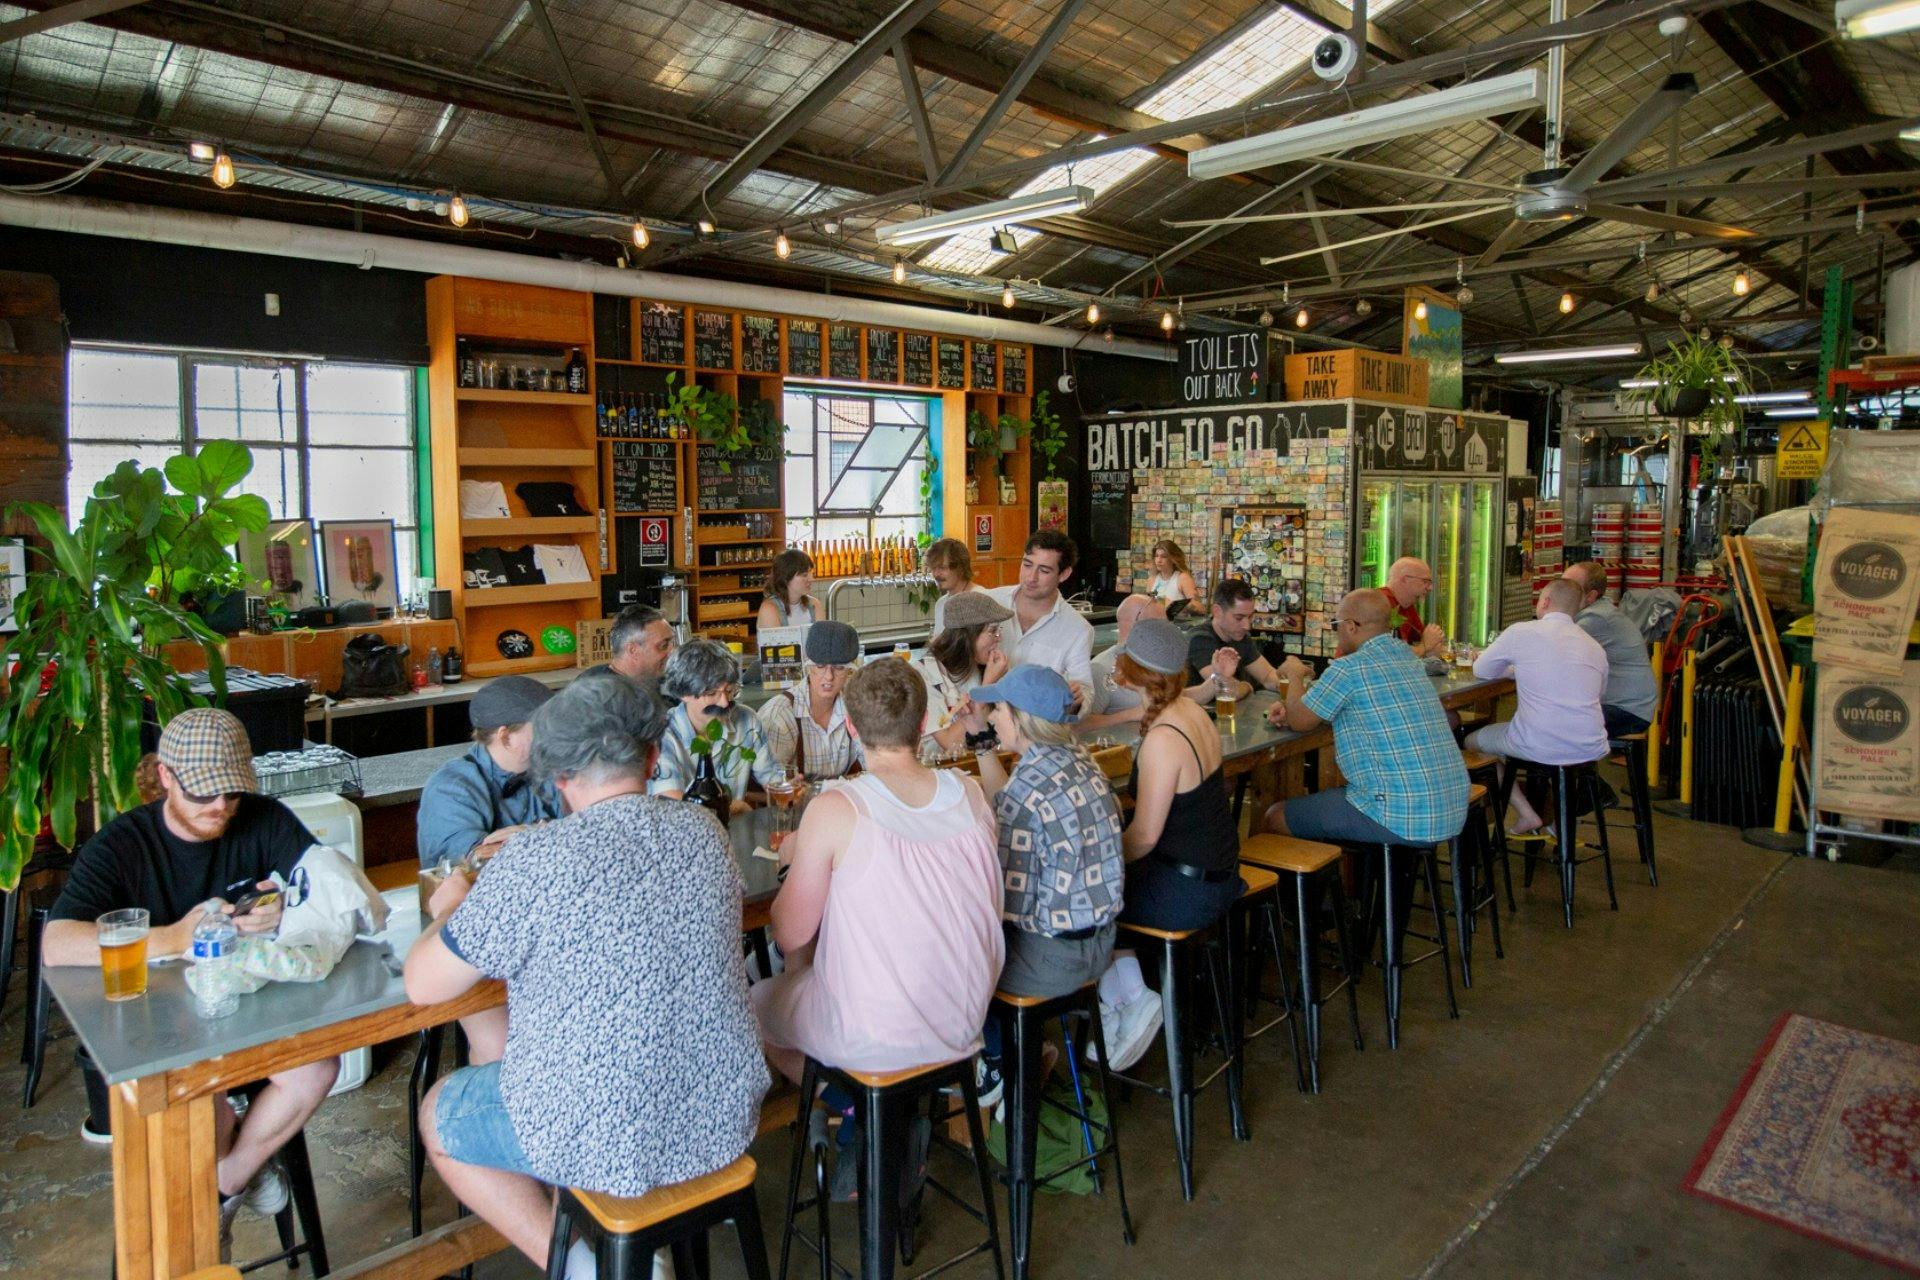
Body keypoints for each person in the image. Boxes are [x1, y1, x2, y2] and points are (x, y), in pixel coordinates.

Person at [406, 673, 768, 1280]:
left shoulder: (533, 862)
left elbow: (423, 985)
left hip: (604, 1130)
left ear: (558, 776)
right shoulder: (704, 832)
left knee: (440, 1111)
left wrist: (449, 909)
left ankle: (582, 1264)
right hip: (725, 1110)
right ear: (653, 758)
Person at [44, 709, 348, 1246]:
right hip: (160, 1029)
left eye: (230, 794)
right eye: (204, 795)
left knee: (318, 1066)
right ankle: (207, 1222)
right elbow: (56, 943)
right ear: (165, 776)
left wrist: (282, 909)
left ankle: (225, 1188)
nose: (220, 808)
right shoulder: (123, 845)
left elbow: (320, 880)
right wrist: (175, 937)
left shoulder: (261, 816)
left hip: (244, 1010)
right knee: (197, 1103)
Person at [754, 659, 1004, 1083]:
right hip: (967, 1017)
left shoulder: (838, 807)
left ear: (850, 726)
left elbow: (789, 933)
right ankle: (910, 1103)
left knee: (753, 1004)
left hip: (873, 1034)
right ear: (923, 720)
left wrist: (789, 868)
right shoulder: (971, 793)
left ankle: (850, 1108)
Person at [1261, 589, 1469, 846]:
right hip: (1452, 806)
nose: (1336, 631)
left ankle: (1323, 883)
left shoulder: (1348, 668)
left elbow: (1301, 721)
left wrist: (1293, 675)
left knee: (1275, 816)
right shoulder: (1407, 657)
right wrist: (1292, 703)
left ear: (1350, 626)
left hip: (1399, 815)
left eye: (1336, 625)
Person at [968, 666, 1126, 997]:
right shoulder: (1082, 763)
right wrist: (980, 737)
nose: (994, 717)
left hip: (1053, 962)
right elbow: (1011, 800)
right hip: (1102, 944)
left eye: (998, 709)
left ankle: (1007, 1049)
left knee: (961, 967)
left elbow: (1010, 903)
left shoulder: (1026, 793)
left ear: (1020, 718)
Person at [1116, 618, 1242, 930]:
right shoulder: (1191, 710)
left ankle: (1131, 979)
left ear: (1133, 672)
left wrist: (1098, 861)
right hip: (1221, 873)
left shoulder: (1164, 737)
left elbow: (1144, 838)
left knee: (1089, 904)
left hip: (1189, 891)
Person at [1466, 578, 1609, 836]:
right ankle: (1557, 824)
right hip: (1589, 746)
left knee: (1470, 743)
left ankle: (1525, 813)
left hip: (1538, 743)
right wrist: (1521, 670)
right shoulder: (1594, 646)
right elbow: (1595, 693)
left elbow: (1481, 669)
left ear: (1544, 602)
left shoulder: (1522, 631)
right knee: (1536, 744)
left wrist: (1514, 669)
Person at [417, 676, 563, 868]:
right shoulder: (450, 788)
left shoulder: (552, 771)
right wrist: (546, 835)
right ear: (506, 738)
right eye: (543, 729)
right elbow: (474, 862)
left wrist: (540, 834)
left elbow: (596, 825)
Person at [649, 639, 785, 810]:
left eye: (729, 691)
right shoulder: (663, 733)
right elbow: (670, 801)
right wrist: (732, 806)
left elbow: (772, 779)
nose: (724, 703)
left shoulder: (747, 720)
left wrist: (789, 787)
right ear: (684, 693)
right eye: (712, 693)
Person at [989, 529, 1093, 708]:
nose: (1031, 577)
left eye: (1044, 570)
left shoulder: (1078, 629)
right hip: (983, 720)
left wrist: (1075, 701)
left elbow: (1084, 694)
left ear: (1064, 574)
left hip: (1036, 728)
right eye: (1027, 565)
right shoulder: (990, 602)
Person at [1081, 593, 1211, 732]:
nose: (1166, 630)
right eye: (1160, 625)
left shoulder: (1157, 660)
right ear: (1139, 625)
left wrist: (1216, 679)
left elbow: (1175, 699)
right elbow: (1080, 725)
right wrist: (1131, 714)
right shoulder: (1101, 667)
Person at [758, 620, 864, 781]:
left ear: (850, 669)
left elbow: (874, 765)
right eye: (820, 666)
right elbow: (772, 785)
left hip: (841, 802)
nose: (829, 676)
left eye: (839, 667)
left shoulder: (856, 709)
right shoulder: (780, 715)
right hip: (795, 804)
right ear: (808, 665)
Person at [1563, 561, 1659, 737]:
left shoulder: (1595, 618)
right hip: (1630, 706)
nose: (1559, 591)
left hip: (1627, 711)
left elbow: (1553, 649)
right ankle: (1575, 763)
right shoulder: (1596, 611)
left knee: (1553, 724)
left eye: (1569, 587)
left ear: (1591, 596)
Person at [911, 590, 1013, 754]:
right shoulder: (923, 675)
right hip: (940, 769)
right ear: (968, 635)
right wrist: (987, 687)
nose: (999, 637)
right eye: (992, 630)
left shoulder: (981, 666)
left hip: (985, 762)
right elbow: (950, 743)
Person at [1185, 579, 1286, 702]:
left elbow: (1267, 675)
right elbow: (1225, 688)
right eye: (1239, 618)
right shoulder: (1200, 639)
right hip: (1200, 715)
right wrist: (1247, 686)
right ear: (1217, 611)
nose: (1247, 625)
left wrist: (1293, 685)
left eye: (1250, 617)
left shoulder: (1240, 636)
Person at [585, 603, 676, 687]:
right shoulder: (604, 696)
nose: (673, 652)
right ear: (633, 650)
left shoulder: (651, 680)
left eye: (673, 643)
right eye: (664, 645)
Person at [925, 536, 990, 634]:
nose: (936, 574)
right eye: (933, 568)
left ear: (960, 568)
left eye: (942, 568)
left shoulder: (980, 599)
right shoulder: (941, 604)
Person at [1386, 557, 1447, 658]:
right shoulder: (1378, 604)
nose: (1430, 588)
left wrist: (1462, 653)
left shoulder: (1407, 606)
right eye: (1425, 581)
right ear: (1405, 579)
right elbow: (1387, 656)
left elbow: (1426, 644)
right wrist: (1424, 646)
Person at [757, 548, 821, 630]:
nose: (811, 579)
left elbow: (823, 641)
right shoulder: (769, 609)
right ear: (786, 578)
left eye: (811, 574)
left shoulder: (815, 605)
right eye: (804, 575)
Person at [1147, 539, 1201, 610]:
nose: (1159, 560)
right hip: (1156, 619)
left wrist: (1172, 604)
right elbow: (1151, 602)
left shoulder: (1183, 578)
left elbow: (1199, 607)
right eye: (1156, 556)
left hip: (1176, 620)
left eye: (1164, 556)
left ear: (1173, 559)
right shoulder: (1152, 580)